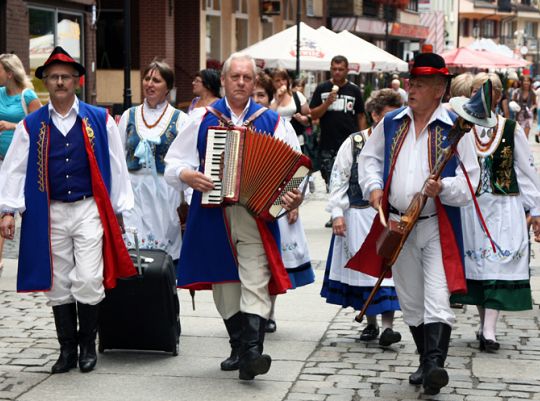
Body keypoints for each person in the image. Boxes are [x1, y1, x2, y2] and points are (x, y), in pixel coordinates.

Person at [346, 53, 485, 395]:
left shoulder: (457, 127)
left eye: (420, 84)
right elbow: (369, 159)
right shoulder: (392, 122)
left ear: (439, 89)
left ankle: (435, 365)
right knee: (410, 300)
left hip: (436, 224)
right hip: (397, 225)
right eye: (411, 82)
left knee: (437, 296)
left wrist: (444, 188)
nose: (412, 88)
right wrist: (374, 188)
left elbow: (472, 181)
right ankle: (426, 362)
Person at [164, 53, 304, 381]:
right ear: (224, 81)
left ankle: (253, 352)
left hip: (256, 215)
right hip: (213, 213)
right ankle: (239, 346)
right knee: (225, 288)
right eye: (235, 77)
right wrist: (188, 175)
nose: (241, 83)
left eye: (247, 78)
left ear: (254, 83)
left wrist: (295, 194)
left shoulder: (273, 122)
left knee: (255, 280)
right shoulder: (201, 119)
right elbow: (172, 164)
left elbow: (297, 168)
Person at [0, 46, 135, 374]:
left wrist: (122, 211)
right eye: (53, 77)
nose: (59, 82)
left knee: (89, 277)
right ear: (46, 82)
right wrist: (7, 210)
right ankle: (67, 350)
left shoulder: (99, 119)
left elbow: (117, 167)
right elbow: (14, 170)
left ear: (77, 81)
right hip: (50, 212)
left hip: (88, 209)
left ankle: (89, 344)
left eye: (65, 77)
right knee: (58, 281)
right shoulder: (31, 125)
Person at [450, 72, 540, 353]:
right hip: (472, 208)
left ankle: (489, 328)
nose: (481, 97)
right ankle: (483, 323)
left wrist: (535, 209)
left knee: (500, 263)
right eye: (476, 91)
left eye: (487, 92)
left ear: (499, 96)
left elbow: (526, 171)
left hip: (504, 207)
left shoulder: (510, 128)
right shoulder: (463, 127)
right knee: (479, 267)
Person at [321, 88, 402, 346]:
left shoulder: (401, 143)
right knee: (366, 273)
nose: (392, 121)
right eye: (387, 115)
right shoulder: (354, 142)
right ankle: (370, 322)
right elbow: (339, 178)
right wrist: (336, 213)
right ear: (374, 115)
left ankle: (388, 327)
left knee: (387, 270)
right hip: (358, 215)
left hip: (389, 217)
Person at [253, 70, 315, 333]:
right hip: (245, 204)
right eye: (252, 94)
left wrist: (293, 201)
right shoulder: (234, 124)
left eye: (260, 94)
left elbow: (298, 165)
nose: (255, 99)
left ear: (269, 98)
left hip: (275, 202)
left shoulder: (280, 124)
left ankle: (268, 312)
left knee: (271, 259)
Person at [117, 60, 191, 260]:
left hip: (166, 194)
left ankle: (165, 288)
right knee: (134, 251)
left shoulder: (181, 120)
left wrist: (190, 203)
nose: (150, 84)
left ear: (168, 88)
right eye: (147, 78)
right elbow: (117, 161)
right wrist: (116, 200)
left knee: (164, 254)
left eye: (156, 80)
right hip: (134, 194)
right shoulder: (128, 116)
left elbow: (188, 161)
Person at [0, 53, 41, 276]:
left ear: (9, 73)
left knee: (26, 212)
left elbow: (40, 127)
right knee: (2, 210)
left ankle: (34, 259)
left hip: (23, 164)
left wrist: (10, 125)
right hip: (1, 162)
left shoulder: (27, 96)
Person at [309, 55, 367, 194]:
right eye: (334, 69)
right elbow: (313, 115)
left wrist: (365, 140)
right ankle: (335, 212)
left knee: (349, 181)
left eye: (340, 69)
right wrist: (327, 102)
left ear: (347, 70)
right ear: (330, 69)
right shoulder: (322, 88)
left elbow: (361, 115)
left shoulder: (354, 90)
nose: (337, 72)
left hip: (349, 143)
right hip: (328, 143)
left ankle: (342, 213)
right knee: (331, 182)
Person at [270, 68, 311, 153]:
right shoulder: (269, 97)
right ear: (272, 83)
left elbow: (309, 115)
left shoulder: (297, 96)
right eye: (277, 80)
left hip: (297, 140)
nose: (281, 83)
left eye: (284, 79)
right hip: (275, 142)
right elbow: (267, 115)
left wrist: (303, 119)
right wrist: (277, 100)